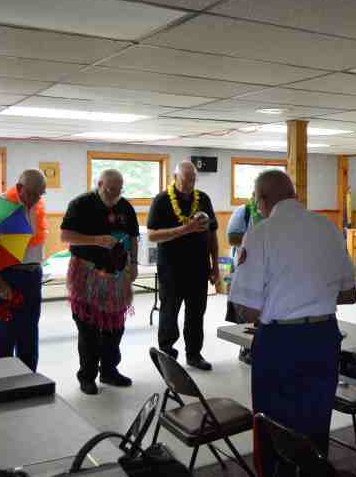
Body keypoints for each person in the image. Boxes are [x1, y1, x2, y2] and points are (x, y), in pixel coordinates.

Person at [229, 170, 356, 475]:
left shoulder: (260, 233)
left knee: (272, 422)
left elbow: (247, 310)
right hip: (324, 337)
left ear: (262, 200)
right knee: (316, 418)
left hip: (280, 342)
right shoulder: (327, 227)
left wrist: (278, 303)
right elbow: (349, 294)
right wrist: (310, 296)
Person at [61, 169, 139, 395]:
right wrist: (96, 240)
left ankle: (109, 371)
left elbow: (133, 237)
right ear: (100, 184)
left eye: (119, 190)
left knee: (115, 327)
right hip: (86, 274)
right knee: (88, 327)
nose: (114, 194)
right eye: (110, 189)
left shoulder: (125, 206)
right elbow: (65, 236)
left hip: (117, 276)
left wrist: (134, 263)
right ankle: (87, 376)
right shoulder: (81, 204)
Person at [147, 160, 219, 371]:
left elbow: (212, 234)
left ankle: (194, 354)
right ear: (175, 178)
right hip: (171, 268)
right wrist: (185, 230)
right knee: (169, 313)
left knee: (196, 314)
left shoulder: (203, 198)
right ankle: (167, 356)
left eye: (193, 180)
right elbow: (152, 235)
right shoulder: (162, 200)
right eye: (186, 180)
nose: (190, 185)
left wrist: (215, 265)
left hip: (199, 267)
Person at [0, 169, 48, 372]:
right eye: (32, 193)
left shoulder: (37, 205)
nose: (36, 198)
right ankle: (1, 382)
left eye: (40, 194)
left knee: (29, 334)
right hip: (5, 275)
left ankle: (28, 379)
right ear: (19, 187)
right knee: (3, 335)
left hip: (32, 276)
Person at [225, 194, 262, 364]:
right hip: (245, 268)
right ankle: (246, 348)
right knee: (246, 310)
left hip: (266, 271)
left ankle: (260, 347)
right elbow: (232, 238)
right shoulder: (244, 211)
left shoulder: (276, 214)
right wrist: (256, 239)